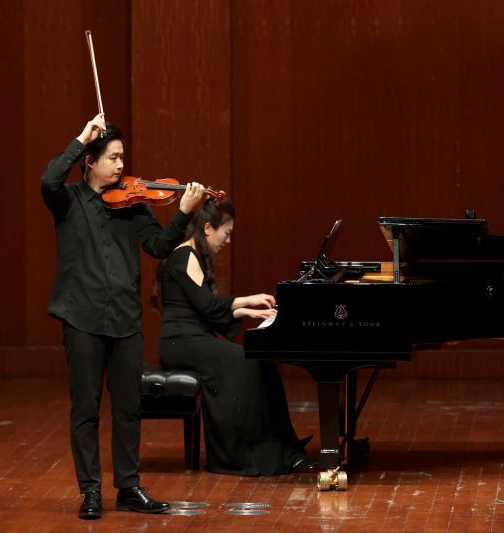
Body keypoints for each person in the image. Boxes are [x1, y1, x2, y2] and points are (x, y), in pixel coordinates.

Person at [40, 113, 204, 519]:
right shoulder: (69, 200)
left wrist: (183, 212)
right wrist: (81, 137)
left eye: (122, 157)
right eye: (112, 157)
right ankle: (90, 491)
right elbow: (48, 180)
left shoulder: (132, 205)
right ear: (90, 161)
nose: (120, 165)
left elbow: (159, 247)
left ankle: (128, 487)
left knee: (128, 407)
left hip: (125, 320)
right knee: (86, 409)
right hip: (81, 319)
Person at [154, 197, 318, 476]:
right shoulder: (185, 255)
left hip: (192, 339)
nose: (228, 240)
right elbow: (208, 307)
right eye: (226, 233)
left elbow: (206, 309)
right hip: (180, 343)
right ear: (208, 228)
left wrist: (249, 308)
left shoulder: (194, 255)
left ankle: (284, 447)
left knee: (263, 362)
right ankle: (250, 454)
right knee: (248, 362)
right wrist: (249, 304)